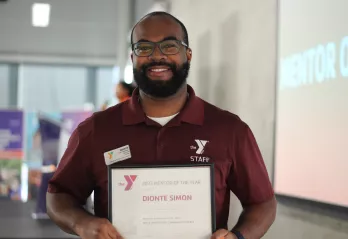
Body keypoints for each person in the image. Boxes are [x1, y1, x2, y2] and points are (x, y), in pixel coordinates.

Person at [46, 11, 277, 239]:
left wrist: (238, 237)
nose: (157, 56)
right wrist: (82, 223)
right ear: (133, 58)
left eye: (169, 46)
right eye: (144, 48)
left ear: (188, 54)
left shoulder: (229, 130)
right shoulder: (95, 131)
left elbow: (262, 203)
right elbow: (59, 195)